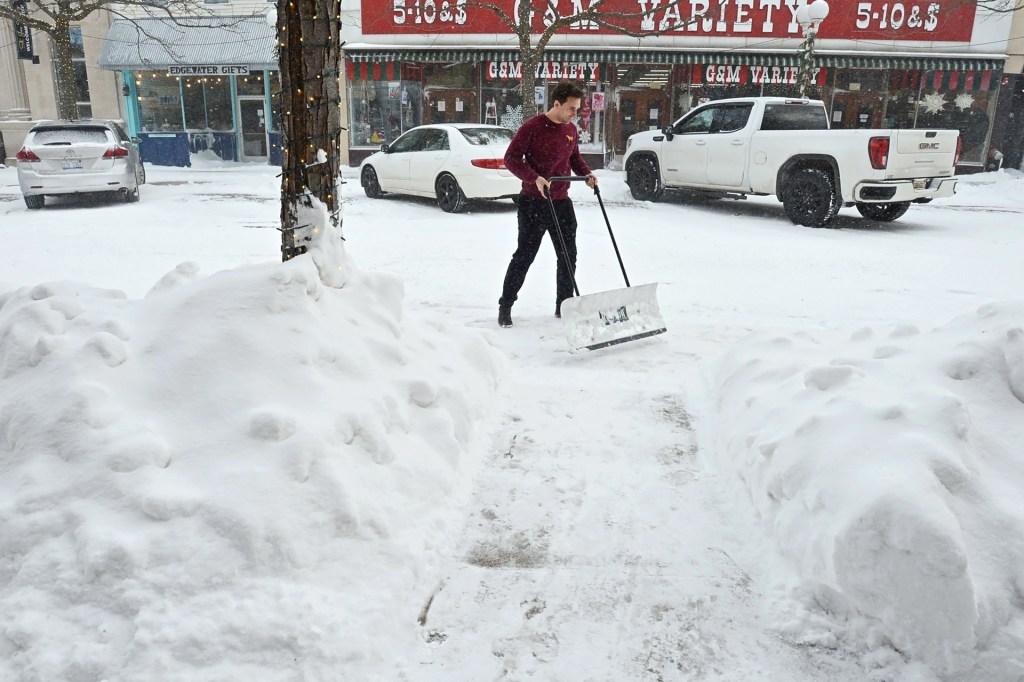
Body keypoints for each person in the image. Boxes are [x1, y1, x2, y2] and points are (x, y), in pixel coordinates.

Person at [497, 81, 598, 328]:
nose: (576, 113)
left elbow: (574, 157)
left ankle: (563, 306)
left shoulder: (570, 130)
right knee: (524, 256)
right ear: (556, 104)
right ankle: (506, 306)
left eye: (577, 108)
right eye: (572, 108)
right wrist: (535, 178)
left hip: (562, 202)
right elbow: (511, 159)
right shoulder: (532, 128)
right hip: (534, 203)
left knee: (568, 256)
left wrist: (587, 174)